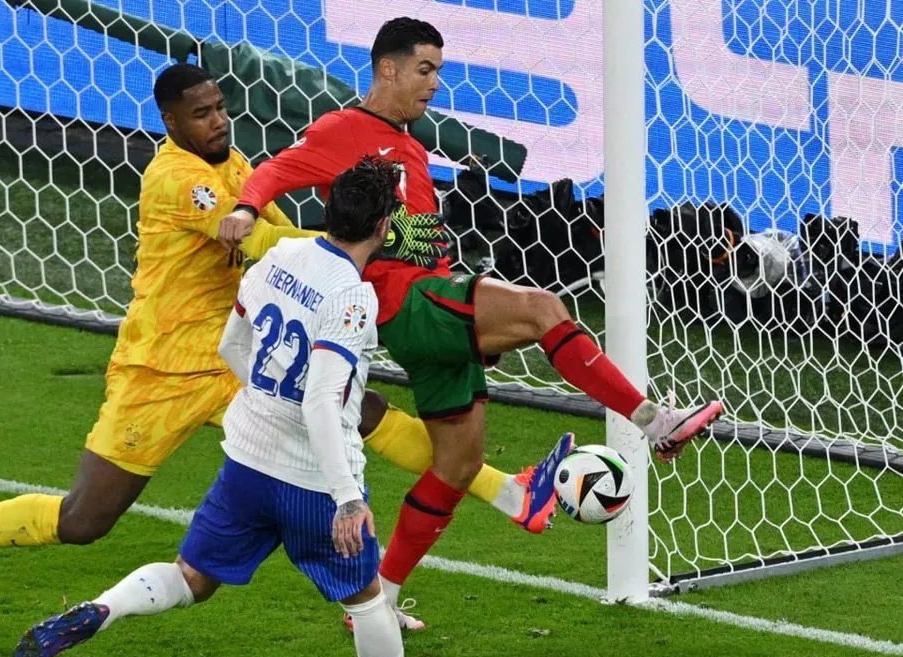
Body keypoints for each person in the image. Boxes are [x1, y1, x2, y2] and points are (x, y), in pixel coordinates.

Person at [0, 64, 531, 633]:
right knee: (85, 519)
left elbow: (281, 228)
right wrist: (365, 241)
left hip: (235, 356)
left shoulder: (234, 164)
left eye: (220, 109)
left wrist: (354, 244)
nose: (217, 122)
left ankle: (506, 498)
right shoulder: (179, 181)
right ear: (170, 120)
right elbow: (264, 242)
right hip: (159, 368)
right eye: (201, 113)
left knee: (359, 410)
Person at [216, 16, 724, 617]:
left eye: (438, 71)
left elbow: (414, 234)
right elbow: (278, 169)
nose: (434, 84)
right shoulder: (344, 128)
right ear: (389, 67)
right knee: (542, 309)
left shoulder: (409, 144)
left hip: (424, 303)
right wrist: (247, 209)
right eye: (425, 70)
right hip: (408, 303)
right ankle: (652, 419)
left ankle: (378, 605)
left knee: (455, 466)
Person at [12, 157, 414, 657]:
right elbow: (318, 400)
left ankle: (106, 607)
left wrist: (267, 399)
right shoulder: (352, 297)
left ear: (326, 209)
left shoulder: (281, 255)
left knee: (191, 577)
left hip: (247, 462)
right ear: (382, 227)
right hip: (312, 480)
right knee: (365, 596)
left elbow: (232, 345)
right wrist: (348, 500)